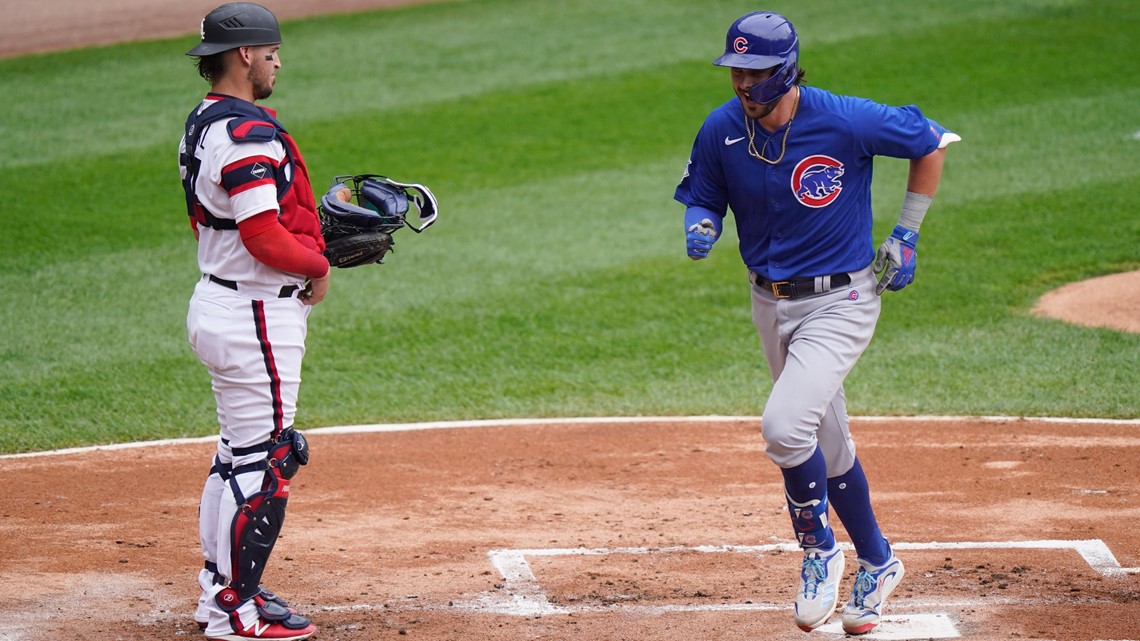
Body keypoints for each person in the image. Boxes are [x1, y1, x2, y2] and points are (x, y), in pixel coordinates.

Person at [674, 11, 959, 636]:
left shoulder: (844, 118)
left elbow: (932, 142)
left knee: (782, 427)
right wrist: (703, 222)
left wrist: (906, 232)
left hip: (842, 302)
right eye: (735, 73)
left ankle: (819, 550)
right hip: (768, 303)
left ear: (785, 72)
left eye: (754, 74)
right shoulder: (721, 130)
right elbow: (703, 191)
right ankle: (879, 562)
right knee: (824, 443)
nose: (743, 86)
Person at [179, 3, 329, 639]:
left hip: (221, 301)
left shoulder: (205, 122)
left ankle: (220, 591)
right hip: (254, 315)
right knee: (267, 460)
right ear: (244, 55)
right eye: (271, 52)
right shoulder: (249, 135)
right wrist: (318, 263)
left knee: (234, 455)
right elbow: (265, 236)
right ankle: (235, 613)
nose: (276, 62)